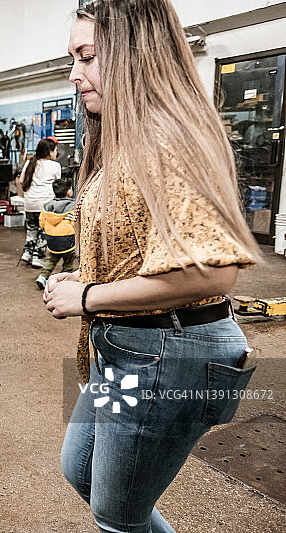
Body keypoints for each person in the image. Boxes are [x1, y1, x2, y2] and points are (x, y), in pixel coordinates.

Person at [45, 1, 261, 531]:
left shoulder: (169, 138)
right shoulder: (125, 139)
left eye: (87, 57)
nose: (74, 74)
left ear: (133, 54)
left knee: (117, 513)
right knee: (81, 470)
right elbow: (141, 241)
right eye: (73, 59)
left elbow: (210, 272)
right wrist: (91, 276)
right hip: (125, 348)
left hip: (166, 355)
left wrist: (88, 297)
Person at [19, 137, 60, 268]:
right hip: (45, 203)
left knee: (31, 228)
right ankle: (38, 256)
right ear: (49, 152)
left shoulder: (30, 162)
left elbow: (21, 181)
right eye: (55, 150)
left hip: (30, 203)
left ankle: (27, 253)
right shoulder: (55, 166)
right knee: (43, 230)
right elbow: (58, 185)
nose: (56, 153)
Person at [35, 177, 76, 290]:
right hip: (68, 239)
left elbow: (41, 221)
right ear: (69, 192)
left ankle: (42, 277)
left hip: (52, 238)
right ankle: (64, 281)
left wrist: (47, 230)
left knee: (50, 260)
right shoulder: (72, 206)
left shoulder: (47, 206)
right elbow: (75, 222)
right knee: (68, 263)